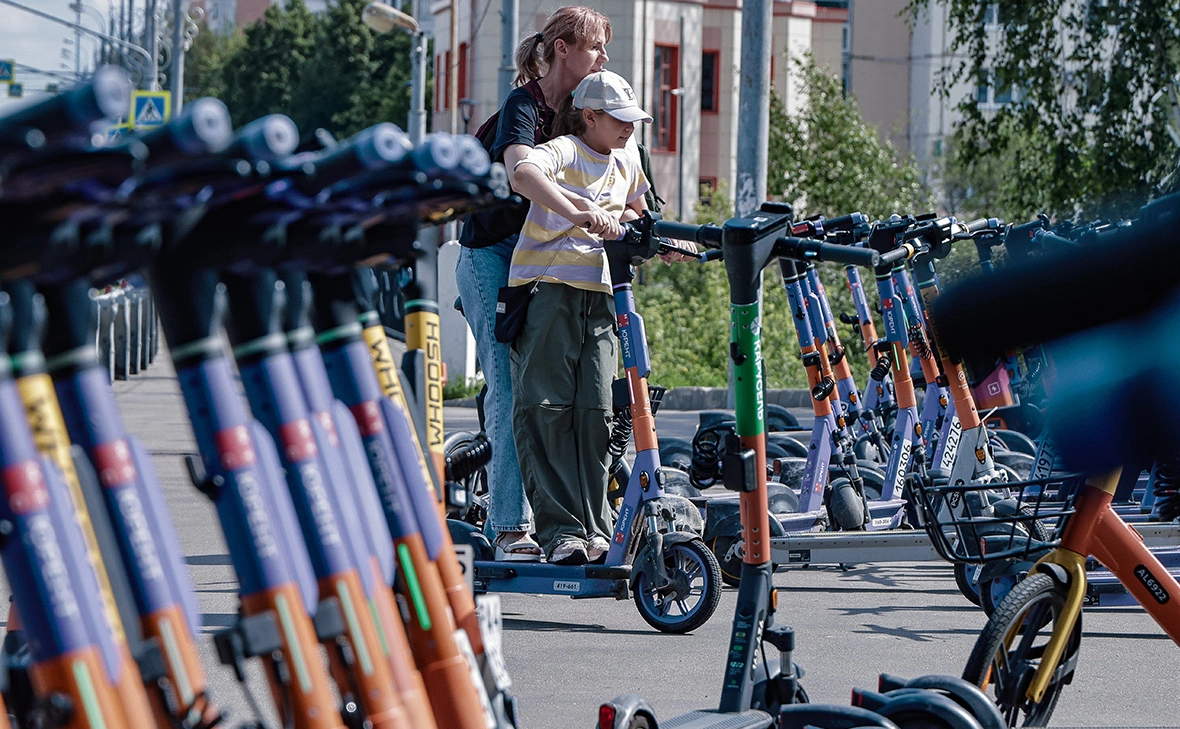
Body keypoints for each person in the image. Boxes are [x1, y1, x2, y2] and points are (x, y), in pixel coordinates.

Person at [455, 7, 612, 562]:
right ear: (563, 49)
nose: (604, 57)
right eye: (595, 47)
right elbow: (522, 172)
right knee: (508, 383)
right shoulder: (525, 105)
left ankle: (578, 520)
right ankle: (508, 527)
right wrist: (579, 211)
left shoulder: (585, 112)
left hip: (543, 260)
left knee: (553, 389)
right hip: (493, 255)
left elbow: (618, 166)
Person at [507, 70, 653, 565]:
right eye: (619, 119)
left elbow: (636, 212)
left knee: (597, 412)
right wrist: (578, 212)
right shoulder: (567, 150)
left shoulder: (628, 158)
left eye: (633, 119)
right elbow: (523, 175)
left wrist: (661, 240)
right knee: (546, 408)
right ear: (589, 117)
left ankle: (598, 529)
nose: (629, 128)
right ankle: (561, 533)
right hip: (549, 287)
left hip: (603, 295)